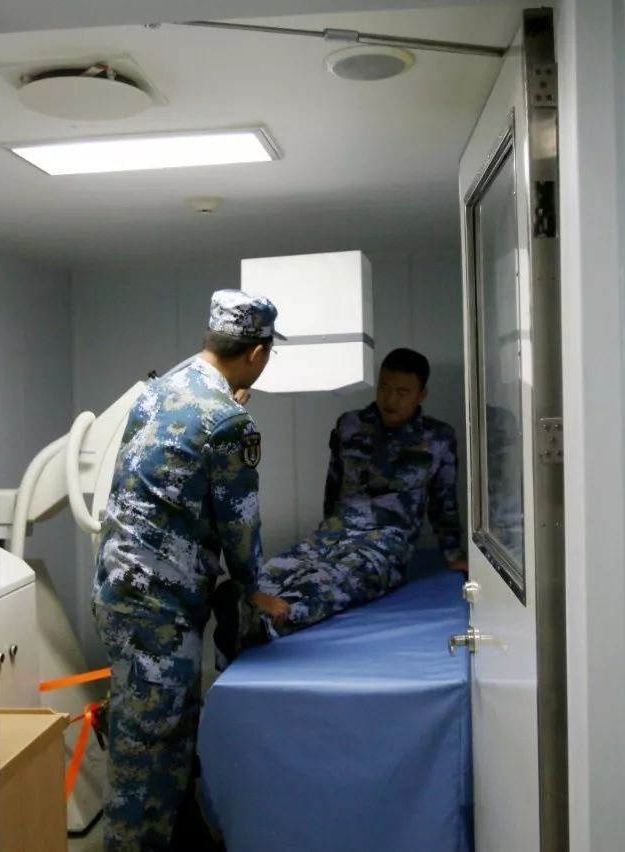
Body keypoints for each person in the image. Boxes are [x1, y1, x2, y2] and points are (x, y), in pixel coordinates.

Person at [91, 289, 291, 851]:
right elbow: (239, 522)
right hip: (159, 607)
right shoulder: (229, 422)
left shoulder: (160, 391)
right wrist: (255, 589)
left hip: (118, 585)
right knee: (147, 758)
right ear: (256, 353)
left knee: (157, 730)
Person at [214, 347, 466, 660]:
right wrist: (326, 532)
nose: (391, 399)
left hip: (385, 545)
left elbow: (443, 500)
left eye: (402, 392)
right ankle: (241, 603)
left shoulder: (438, 438)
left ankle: (260, 625)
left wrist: (453, 554)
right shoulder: (350, 425)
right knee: (276, 570)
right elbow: (333, 484)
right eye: (385, 387)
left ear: (421, 395)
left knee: (330, 582)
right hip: (333, 532)